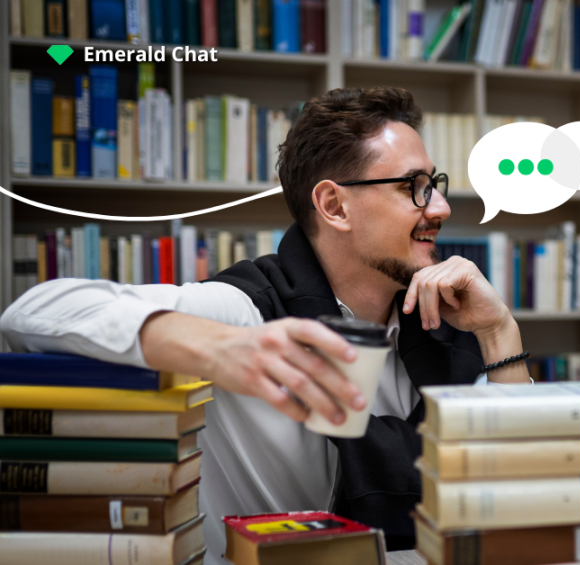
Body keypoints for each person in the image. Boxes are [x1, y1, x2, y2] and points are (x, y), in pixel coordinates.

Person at [0, 87, 531, 562]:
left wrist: (499, 331)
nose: (439, 206)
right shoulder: (248, 315)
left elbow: (514, 497)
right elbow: (31, 313)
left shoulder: (452, 325)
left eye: (434, 184)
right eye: (413, 186)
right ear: (334, 205)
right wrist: (221, 349)